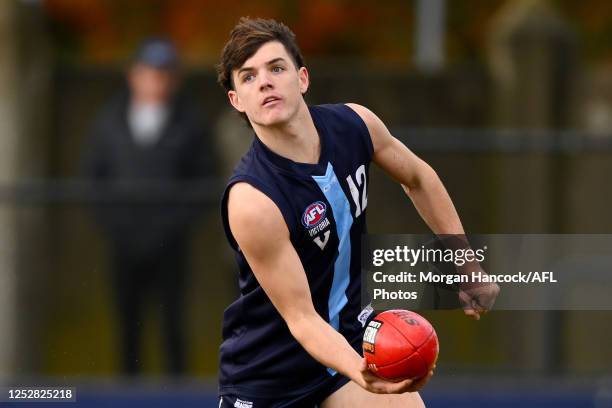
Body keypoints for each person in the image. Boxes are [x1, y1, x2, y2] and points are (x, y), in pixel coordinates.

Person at [216, 18, 498, 407]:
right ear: (237, 101)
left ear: (302, 79)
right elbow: (302, 319)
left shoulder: (355, 125)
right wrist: (363, 373)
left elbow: (418, 178)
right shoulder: (253, 201)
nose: (264, 82)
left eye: (276, 68)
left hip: (352, 337)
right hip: (271, 377)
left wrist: (466, 263)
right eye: (247, 77)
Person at [81, 38, 214, 375]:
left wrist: (171, 226)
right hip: (123, 243)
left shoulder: (191, 122)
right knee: (127, 322)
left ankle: (176, 394)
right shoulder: (108, 120)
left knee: (173, 323)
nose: (157, 80)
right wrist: (117, 226)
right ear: (133, 75)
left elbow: (204, 181)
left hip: (171, 244)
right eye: (150, 72)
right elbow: (93, 178)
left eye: (164, 73)